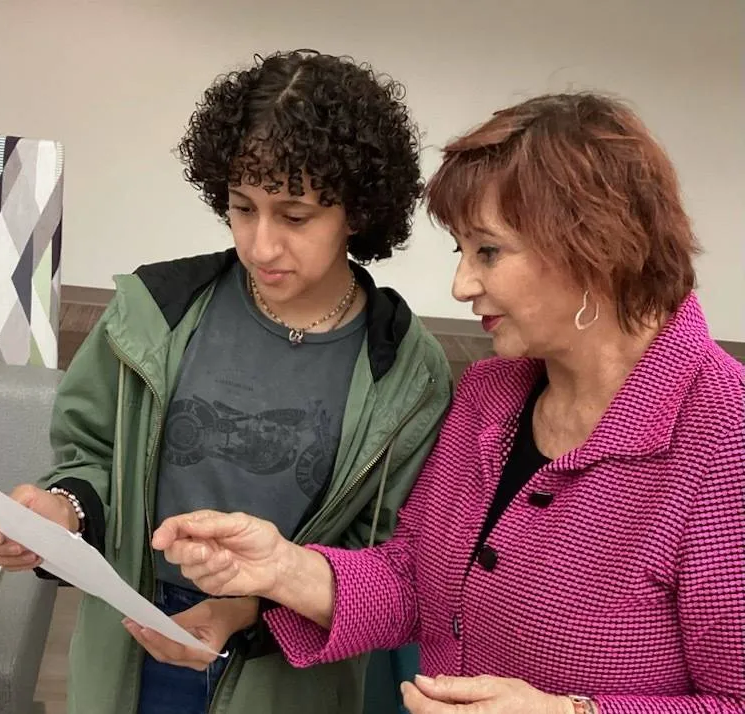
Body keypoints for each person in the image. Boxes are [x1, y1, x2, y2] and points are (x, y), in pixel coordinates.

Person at [152, 93, 745, 714]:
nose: (461, 285)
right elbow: (412, 582)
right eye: (461, 251)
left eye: (488, 250)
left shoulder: (724, 439)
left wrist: (572, 712)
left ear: (596, 249)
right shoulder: (490, 396)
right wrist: (282, 568)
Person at [0, 49, 452, 714]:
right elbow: (92, 454)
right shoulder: (153, 312)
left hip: (287, 672)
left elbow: (389, 556)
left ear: (358, 212)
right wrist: (61, 512)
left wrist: (247, 609)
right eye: (242, 207)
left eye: (295, 216)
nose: (260, 245)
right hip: (132, 636)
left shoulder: (407, 371)